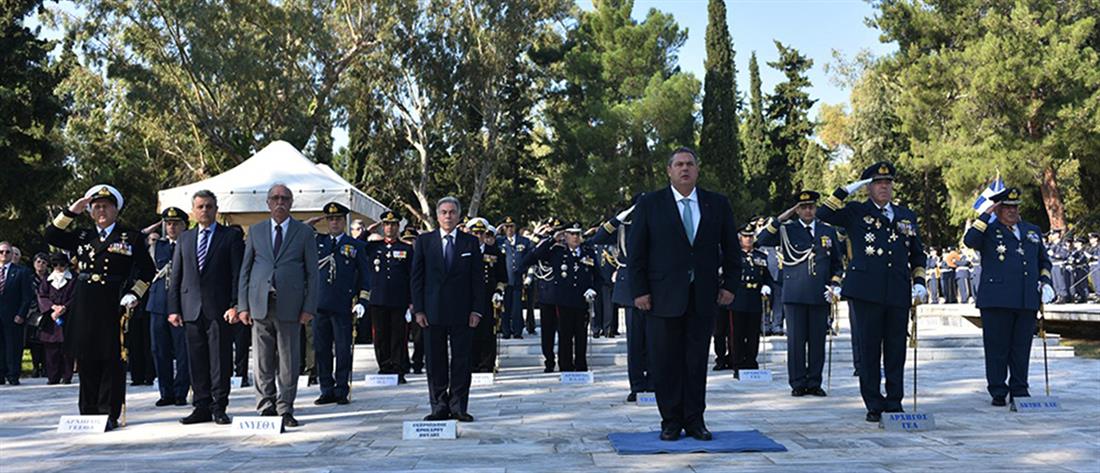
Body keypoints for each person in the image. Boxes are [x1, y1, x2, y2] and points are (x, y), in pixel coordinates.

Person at [628, 147, 739, 441]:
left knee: (696, 360)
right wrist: (639, 291)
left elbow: (731, 250)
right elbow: (636, 253)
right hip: (662, 296)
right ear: (669, 170)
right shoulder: (650, 204)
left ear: (697, 170)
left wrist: (730, 285)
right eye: (679, 164)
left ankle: (695, 420)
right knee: (665, 362)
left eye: (690, 164)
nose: (685, 169)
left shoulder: (717, 204)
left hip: (703, 296)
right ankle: (670, 421)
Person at [817, 162, 926, 423]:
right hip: (866, 291)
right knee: (868, 350)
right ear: (868, 188)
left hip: (897, 290)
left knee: (896, 349)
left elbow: (917, 253)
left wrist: (919, 281)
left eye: (888, 183)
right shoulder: (855, 211)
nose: (884, 187)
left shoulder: (905, 215)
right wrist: (846, 190)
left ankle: (894, 401)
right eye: (878, 183)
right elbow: (824, 213)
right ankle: (874, 403)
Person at [44, 185, 156, 430]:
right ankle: (88, 412)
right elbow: (51, 235)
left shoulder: (131, 237)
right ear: (90, 211)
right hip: (85, 302)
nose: (101, 210)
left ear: (116, 209)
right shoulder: (82, 236)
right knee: (86, 358)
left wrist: (133, 294)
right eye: (96, 207)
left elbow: (147, 271)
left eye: (106, 206)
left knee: (111, 359)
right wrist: (72, 211)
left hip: (113, 302)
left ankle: (108, 412)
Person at [237, 183, 319, 428]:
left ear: (291, 203)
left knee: (288, 359)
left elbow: (313, 274)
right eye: (275, 198)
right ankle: (265, 405)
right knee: (262, 359)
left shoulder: (303, 233)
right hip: (260, 303)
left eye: (284, 198)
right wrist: (243, 305)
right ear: (268, 203)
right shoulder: (256, 230)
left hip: (290, 305)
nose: (279, 202)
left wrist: (309, 307)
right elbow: (246, 269)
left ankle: (285, 407)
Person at [964, 187, 1055, 407]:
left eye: (1015, 207)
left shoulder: (1031, 230)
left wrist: (1045, 282)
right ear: (998, 209)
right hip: (997, 299)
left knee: (1021, 347)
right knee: (997, 347)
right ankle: (997, 389)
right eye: (1007, 207)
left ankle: (1019, 388)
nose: (1012, 211)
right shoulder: (988, 231)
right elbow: (970, 240)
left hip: (1026, 299)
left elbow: (1044, 261)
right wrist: (986, 214)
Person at [757, 190, 844, 397]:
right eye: (803, 207)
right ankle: (797, 383)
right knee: (796, 342)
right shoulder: (787, 230)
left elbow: (837, 264)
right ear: (797, 210)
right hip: (795, 293)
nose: (808, 211)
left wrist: (834, 285)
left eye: (811, 207)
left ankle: (814, 382)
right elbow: (762, 239)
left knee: (817, 341)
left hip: (819, 293)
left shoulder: (827, 231)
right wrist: (781, 218)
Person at [168, 191, 244, 425]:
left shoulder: (229, 236)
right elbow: (177, 275)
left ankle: (219, 406)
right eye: (200, 206)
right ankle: (201, 405)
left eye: (209, 206)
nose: (204, 210)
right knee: (196, 360)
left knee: (220, 360)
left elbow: (237, 275)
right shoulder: (185, 239)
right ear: (193, 211)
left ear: (216, 209)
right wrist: (174, 308)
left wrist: (235, 305)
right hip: (191, 308)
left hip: (219, 309)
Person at [411, 196, 486, 422]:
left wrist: (477, 310)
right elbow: (416, 278)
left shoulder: (469, 242)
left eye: (452, 212)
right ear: (437, 215)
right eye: (443, 212)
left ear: (458, 215)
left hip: (462, 312)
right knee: (435, 361)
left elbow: (477, 280)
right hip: (432, 312)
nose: (447, 216)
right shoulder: (424, 242)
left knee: (461, 360)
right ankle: (439, 406)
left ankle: (459, 406)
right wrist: (419, 310)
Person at [589, 199, 652, 401]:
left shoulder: (658, 223)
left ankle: (653, 383)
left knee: (654, 341)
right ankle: (637, 386)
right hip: (631, 288)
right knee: (635, 343)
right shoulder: (624, 228)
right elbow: (598, 238)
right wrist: (620, 217)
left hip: (655, 286)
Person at [311, 202, 369, 403]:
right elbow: (296, 232)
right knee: (321, 349)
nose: (334, 222)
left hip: (344, 304)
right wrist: (309, 222)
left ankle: (341, 389)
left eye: (337, 219)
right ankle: (326, 389)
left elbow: (365, 277)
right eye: (330, 219)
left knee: (344, 349)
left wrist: (362, 300)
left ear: (344, 221)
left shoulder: (356, 246)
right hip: (319, 304)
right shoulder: (318, 242)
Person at [523, 221, 598, 373]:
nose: (576, 237)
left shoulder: (587, 252)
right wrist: (551, 239)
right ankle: (566, 368)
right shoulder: (557, 252)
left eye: (578, 234)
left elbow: (598, 276)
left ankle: (581, 367)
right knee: (565, 337)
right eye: (572, 234)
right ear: (565, 236)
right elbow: (530, 258)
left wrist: (593, 289)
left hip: (582, 301)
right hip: (563, 301)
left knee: (581, 337)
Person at [362, 210, 414, 380]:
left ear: (398, 226)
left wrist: (412, 301)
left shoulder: (406, 248)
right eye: (386, 224)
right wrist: (368, 231)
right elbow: (355, 245)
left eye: (393, 224)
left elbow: (412, 276)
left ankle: (398, 369)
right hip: (378, 298)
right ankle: (384, 366)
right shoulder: (374, 247)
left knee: (398, 336)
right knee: (380, 336)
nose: (389, 228)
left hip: (399, 299)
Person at [147, 207, 191, 407]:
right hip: (158, 302)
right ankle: (166, 391)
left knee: (183, 350)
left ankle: (181, 390)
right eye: (168, 223)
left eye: (176, 223)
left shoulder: (189, 243)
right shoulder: (158, 245)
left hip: (181, 303)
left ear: (184, 225)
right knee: (160, 349)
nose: (171, 227)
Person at [722, 224, 772, 375]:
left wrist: (766, 286)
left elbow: (767, 277)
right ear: (740, 238)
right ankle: (736, 363)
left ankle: (751, 362)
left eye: (751, 236)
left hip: (755, 298)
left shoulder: (761, 256)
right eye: (745, 236)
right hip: (738, 298)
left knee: (753, 334)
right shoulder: (733, 256)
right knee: (736, 335)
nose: (748, 239)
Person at [468, 219, 507, 373]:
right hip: (469, 299)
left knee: (488, 332)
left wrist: (498, 291)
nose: (478, 236)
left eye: (481, 233)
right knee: (470, 332)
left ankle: (486, 365)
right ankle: (471, 364)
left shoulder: (495, 252)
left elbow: (502, 278)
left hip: (488, 298)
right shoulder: (464, 251)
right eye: (475, 233)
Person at [36, 253, 75, 384]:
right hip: (51, 318)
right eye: (55, 265)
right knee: (51, 350)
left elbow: (76, 297)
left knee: (67, 349)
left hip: (69, 318)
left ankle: (67, 376)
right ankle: (52, 377)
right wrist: (52, 308)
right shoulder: (47, 280)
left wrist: (64, 307)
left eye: (62, 264)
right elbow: (41, 296)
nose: (59, 267)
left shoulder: (73, 279)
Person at [0, 241, 35, 386]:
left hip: (13, 316)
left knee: (13, 347)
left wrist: (21, 314)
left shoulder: (21, 272)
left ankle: (13, 375)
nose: (4, 255)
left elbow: (27, 296)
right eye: (1, 252)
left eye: (7, 252)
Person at [497, 216, 532, 339]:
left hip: (518, 279)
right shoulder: (500, 241)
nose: (509, 229)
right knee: (505, 307)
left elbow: (529, 260)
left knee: (517, 308)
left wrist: (528, 276)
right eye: (506, 227)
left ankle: (517, 331)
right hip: (505, 280)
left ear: (515, 227)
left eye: (511, 226)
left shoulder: (524, 241)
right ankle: (506, 331)